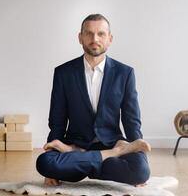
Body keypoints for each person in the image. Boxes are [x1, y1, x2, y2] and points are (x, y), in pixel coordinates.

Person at [36, 14, 151, 187]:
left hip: (110, 141)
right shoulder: (63, 73)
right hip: (75, 142)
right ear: (80, 38)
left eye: (101, 34)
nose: (94, 39)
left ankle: (81, 160)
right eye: (88, 33)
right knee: (44, 163)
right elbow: (57, 120)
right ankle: (109, 155)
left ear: (110, 39)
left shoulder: (125, 73)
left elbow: (131, 120)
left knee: (141, 171)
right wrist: (54, 148)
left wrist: (138, 152)